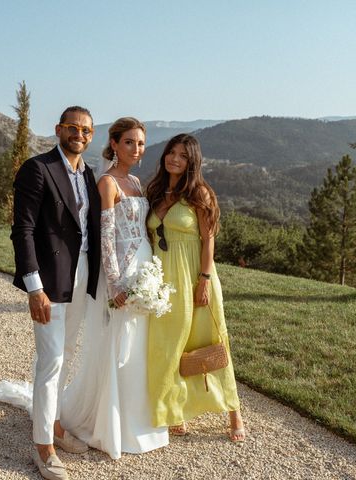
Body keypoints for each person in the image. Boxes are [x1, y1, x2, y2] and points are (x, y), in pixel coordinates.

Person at [59, 117, 168, 459]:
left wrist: (153, 274)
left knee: (139, 346)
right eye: (130, 142)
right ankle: (110, 425)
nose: (137, 149)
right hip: (122, 275)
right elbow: (105, 237)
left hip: (145, 270)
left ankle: (138, 419)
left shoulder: (136, 180)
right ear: (115, 144)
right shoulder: (107, 182)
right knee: (118, 346)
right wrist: (117, 282)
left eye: (140, 143)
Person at [10, 106, 101, 480]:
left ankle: (56, 424)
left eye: (86, 130)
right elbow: (23, 230)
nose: (79, 133)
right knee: (51, 362)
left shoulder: (89, 174)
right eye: (73, 127)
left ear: (92, 136)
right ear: (59, 130)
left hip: (81, 278)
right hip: (49, 280)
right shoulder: (38, 168)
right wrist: (34, 287)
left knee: (65, 353)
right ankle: (43, 448)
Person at [145, 133, 246, 442]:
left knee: (211, 341)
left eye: (183, 155)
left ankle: (234, 414)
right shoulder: (157, 191)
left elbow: (208, 240)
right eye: (171, 152)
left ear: (192, 161)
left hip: (194, 277)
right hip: (164, 282)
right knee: (169, 345)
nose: (175, 158)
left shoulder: (199, 193)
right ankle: (174, 410)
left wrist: (203, 280)